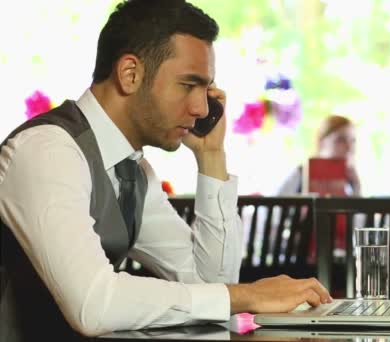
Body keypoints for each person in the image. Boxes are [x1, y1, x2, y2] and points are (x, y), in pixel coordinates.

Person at [0, 1, 331, 340]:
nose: (202, 108)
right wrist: (247, 294)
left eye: (206, 90)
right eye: (189, 85)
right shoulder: (47, 150)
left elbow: (209, 284)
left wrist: (211, 156)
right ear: (130, 74)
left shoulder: (134, 172)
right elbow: (93, 303)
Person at [277, 114, 361, 196]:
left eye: (353, 140)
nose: (350, 147)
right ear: (321, 142)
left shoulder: (350, 179)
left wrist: (356, 186)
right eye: (341, 140)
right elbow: (278, 205)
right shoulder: (302, 173)